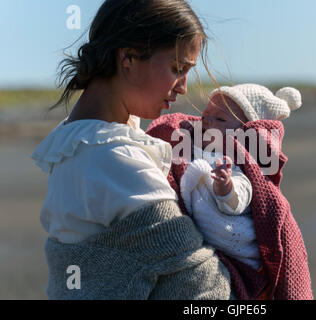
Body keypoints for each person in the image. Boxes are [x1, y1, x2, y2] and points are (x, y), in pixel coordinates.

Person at [31, 0, 233, 300]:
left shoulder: (73, 141)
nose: (183, 87)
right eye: (177, 68)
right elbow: (202, 288)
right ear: (128, 57)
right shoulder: (113, 158)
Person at [148, 84, 314, 299]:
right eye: (206, 115)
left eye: (221, 120)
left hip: (235, 243)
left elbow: (244, 193)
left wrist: (226, 187)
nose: (208, 122)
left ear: (243, 131)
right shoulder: (192, 142)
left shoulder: (235, 161)